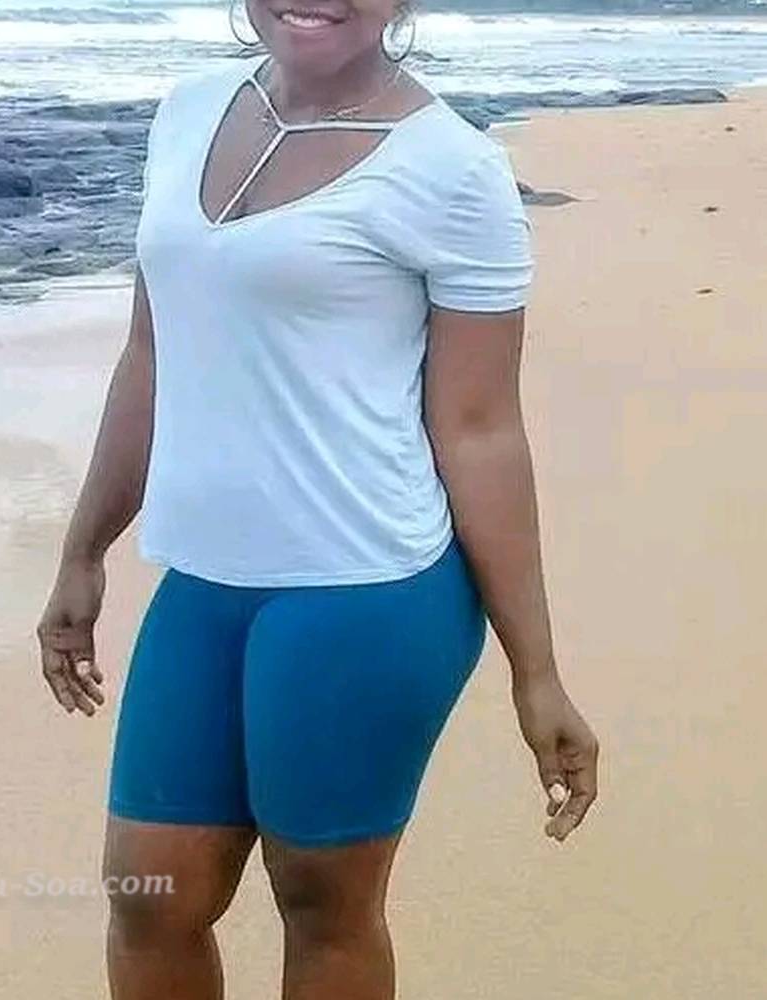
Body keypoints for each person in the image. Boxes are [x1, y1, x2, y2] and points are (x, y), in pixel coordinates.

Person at [37, 0, 600, 996]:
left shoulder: (452, 169)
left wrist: (538, 670)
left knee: (323, 904)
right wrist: (85, 549)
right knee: (149, 897)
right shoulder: (188, 111)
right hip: (204, 579)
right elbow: (151, 352)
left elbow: (480, 430)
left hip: (368, 590)